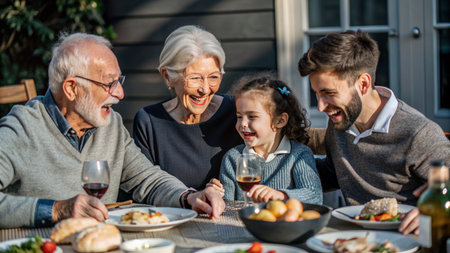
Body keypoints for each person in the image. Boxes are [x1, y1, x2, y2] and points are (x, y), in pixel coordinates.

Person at [0, 32, 225, 228]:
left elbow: (147, 179)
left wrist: (189, 197)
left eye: (120, 81)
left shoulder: (111, 126)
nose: (120, 94)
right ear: (71, 88)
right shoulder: (22, 129)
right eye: (110, 83)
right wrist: (56, 210)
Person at [297, 30, 450, 234]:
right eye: (316, 94)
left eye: (329, 93)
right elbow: (334, 174)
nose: (321, 106)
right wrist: (280, 169)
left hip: (406, 241)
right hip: (352, 236)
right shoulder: (341, 120)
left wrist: (439, 208)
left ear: (363, 84)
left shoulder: (418, 133)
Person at [132, 25, 242, 191]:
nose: (205, 89)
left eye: (213, 77)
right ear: (167, 76)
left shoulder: (238, 113)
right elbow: (144, 187)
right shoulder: (148, 121)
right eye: (195, 78)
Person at [219, 75, 323, 204]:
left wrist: (281, 195)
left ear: (280, 120)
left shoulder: (298, 154)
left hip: (285, 222)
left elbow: (314, 196)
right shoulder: (233, 158)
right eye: (239, 117)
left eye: (252, 116)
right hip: (243, 223)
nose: (243, 124)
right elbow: (226, 205)